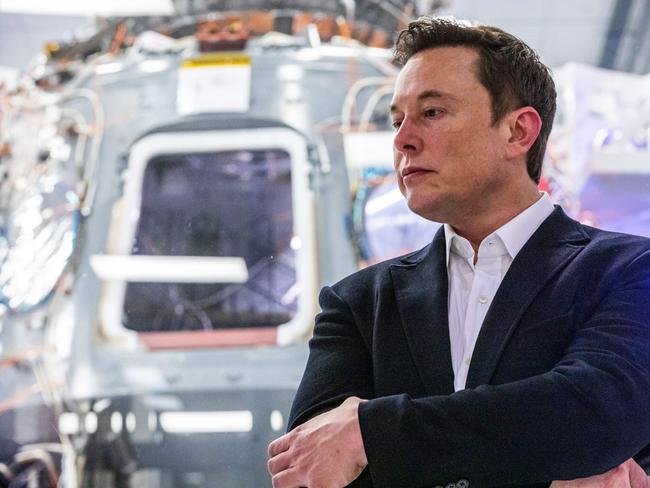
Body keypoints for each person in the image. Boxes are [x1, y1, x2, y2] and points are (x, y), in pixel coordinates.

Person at [267, 16, 650, 488]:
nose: (403, 139)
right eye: (397, 119)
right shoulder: (359, 304)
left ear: (518, 132)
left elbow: (597, 411)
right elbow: (306, 467)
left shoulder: (627, 270)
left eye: (432, 113)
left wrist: (371, 433)